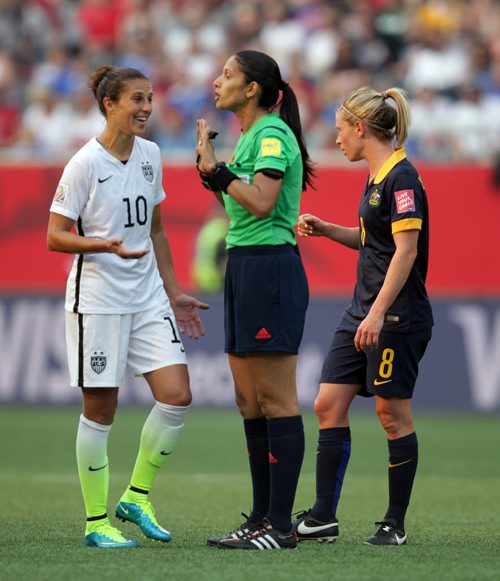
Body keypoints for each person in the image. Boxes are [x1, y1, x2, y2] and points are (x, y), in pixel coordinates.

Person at [47, 65, 209, 549]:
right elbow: (55, 236)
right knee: (101, 409)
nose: (145, 108)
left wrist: (174, 290)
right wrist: (103, 246)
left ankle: (136, 497)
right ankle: (97, 523)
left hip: (147, 297)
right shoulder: (83, 164)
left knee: (177, 395)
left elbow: (156, 229)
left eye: (149, 99)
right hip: (97, 301)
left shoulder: (152, 155)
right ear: (109, 104)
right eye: (136, 99)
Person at [294, 86, 433, 546]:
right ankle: (322, 517)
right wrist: (326, 229)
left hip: (394, 317)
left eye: (339, 130)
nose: (336, 140)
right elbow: (371, 239)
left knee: (391, 414)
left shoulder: (403, 178)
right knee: (326, 405)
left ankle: (394, 523)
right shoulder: (376, 176)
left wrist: (376, 314)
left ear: (359, 128)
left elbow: (406, 251)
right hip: (363, 311)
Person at [195, 50, 315, 550]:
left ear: (251, 89)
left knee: (275, 399)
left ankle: (280, 526)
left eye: (227, 74)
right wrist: (212, 174)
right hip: (245, 265)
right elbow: (243, 207)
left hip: (269, 267)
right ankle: (262, 517)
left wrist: (219, 173)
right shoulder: (250, 137)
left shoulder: (270, 134)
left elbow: (263, 203)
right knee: (249, 402)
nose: (216, 80)